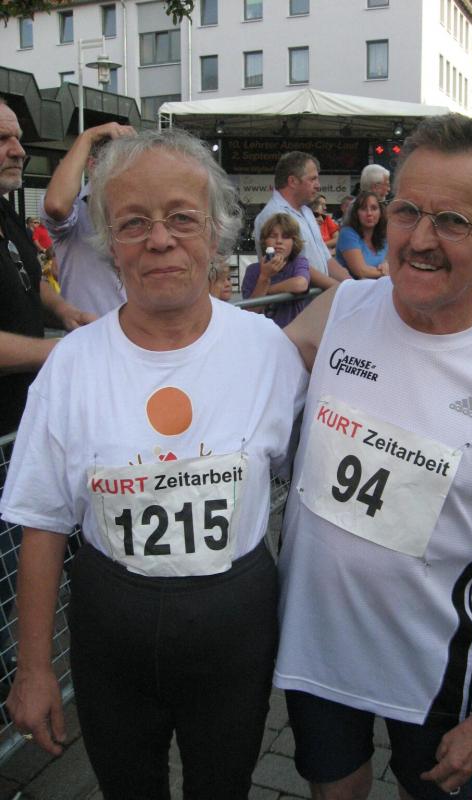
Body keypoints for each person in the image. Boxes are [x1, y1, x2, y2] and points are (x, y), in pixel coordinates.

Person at [1, 128, 307, 799]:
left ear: (216, 231)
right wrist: (33, 670)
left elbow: (302, 484)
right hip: (110, 630)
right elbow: (42, 524)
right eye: (134, 222)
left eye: (181, 218)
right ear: (109, 243)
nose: (159, 240)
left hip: (237, 630)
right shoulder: (71, 367)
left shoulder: (268, 351)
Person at [274, 113, 472, 800]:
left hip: (435, 664)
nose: (422, 240)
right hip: (317, 642)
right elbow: (239, 390)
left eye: (454, 222)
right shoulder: (341, 311)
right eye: (407, 212)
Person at [0, 98, 93, 687]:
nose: (18, 151)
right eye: (3, 140)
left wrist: (63, 311)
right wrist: (55, 352)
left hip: (20, 429)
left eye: (15, 138)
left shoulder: (6, 213)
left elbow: (30, 281)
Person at [41, 122, 132, 317]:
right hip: (90, 331)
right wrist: (88, 136)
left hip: (141, 332)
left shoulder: (143, 215)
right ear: (92, 165)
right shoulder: (76, 212)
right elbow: (56, 205)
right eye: (118, 164)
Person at [253, 151, 349, 290]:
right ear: (292, 181)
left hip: (318, 296)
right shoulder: (273, 214)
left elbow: (326, 258)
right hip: (295, 302)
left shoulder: (307, 212)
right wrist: (339, 288)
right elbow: (296, 266)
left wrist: (352, 284)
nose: (318, 185)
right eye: (313, 179)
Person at [243, 213, 310, 328]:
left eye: (285, 236)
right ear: (265, 241)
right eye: (273, 236)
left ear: (294, 242)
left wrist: (267, 290)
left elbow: (300, 284)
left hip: (290, 332)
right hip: (262, 333)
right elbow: (250, 312)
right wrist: (264, 276)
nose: (279, 241)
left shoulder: (298, 262)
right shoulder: (253, 270)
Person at [335, 190, 388, 279]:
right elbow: (360, 271)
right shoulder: (347, 233)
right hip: (352, 286)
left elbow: (393, 263)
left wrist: (387, 265)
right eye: (363, 209)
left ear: (381, 213)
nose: (369, 213)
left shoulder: (384, 235)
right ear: (356, 213)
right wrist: (388, 273)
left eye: (374, 208)